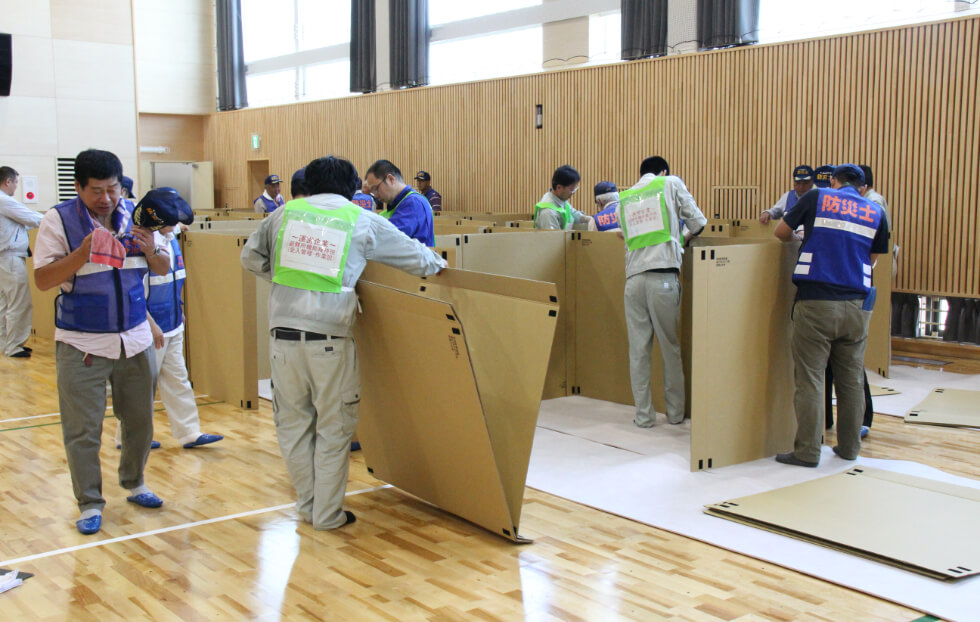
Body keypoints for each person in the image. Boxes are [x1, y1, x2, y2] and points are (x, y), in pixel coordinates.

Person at [240, 155, 447, 530]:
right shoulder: (359, 219)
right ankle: (327, 515)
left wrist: (287, 278)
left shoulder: (282, 215)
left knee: (293, 426)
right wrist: (440, 263)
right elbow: (417, 259)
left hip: (282, 339)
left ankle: (308, 506)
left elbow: (250, 258)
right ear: (352, 185)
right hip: (330, 340)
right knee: (334, 431)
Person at [33, 149, 171, 534]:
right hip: (82, 343)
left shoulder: (138, 215)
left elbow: (161, 267)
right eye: (96, 191)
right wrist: (81, 252)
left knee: (141, 422)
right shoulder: (57, 220)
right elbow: (43, 280)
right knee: (83, 430)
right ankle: (90, 502)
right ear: (78, 187)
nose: (107, 199)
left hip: (135, 338)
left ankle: (135, 481)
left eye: (112, 189)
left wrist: (150, 248)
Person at [773, 164, 889, 468]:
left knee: (810, 379)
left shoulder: (816, 197)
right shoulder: (876, 211)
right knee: (850, 381)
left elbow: (781, 233)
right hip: (856, 307)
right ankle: (850, 449)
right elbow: (872, 258)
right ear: (862, 187)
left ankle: (808, 452)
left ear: (834, 182)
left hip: (816, 303)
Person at [113, 188, 224, 451]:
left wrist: (179, 309)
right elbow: (131, 289)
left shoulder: (167, 233)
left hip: (173, 320)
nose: (175, 226)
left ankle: (189, 432)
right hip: (149, 325)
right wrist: (149, 324)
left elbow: (172, 274)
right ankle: (127, 436)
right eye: (170, 222)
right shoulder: (136, 239)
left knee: (178, 379)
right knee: (141, 385)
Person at [618, 156, 706, 428]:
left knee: (638, 351)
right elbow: (698, 222)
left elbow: (623, 235)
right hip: (663, 277)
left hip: (633, 281)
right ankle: (676, 414)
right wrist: (681, 240)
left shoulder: (626, 196)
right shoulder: (670, 182)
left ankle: (643, 417)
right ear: (664, 171)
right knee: (669, 347)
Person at [0, 166, 43, 358]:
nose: (16, 187)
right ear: (8, 181)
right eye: (16, 182)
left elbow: (21, 222)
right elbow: (33, 218)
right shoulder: (4, 200)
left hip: (4, 258)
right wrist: (59, 220)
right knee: (19, 302)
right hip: (10, 258)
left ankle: (5, 344)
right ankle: (14, 346)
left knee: (4, 304)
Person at [363, 159, 434, 246]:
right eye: (372, 191)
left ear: (390, 179)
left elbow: (387, 240)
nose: (375, 195)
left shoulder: (413, 203)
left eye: (376, 188)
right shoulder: (390, 209)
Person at [534, 165, 592, 230]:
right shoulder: (548, 212)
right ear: (559, 188)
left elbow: (573, 214)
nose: (574, 192)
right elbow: (553, 238)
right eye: (571, 190)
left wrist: (588, 219)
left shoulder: (560, 199)